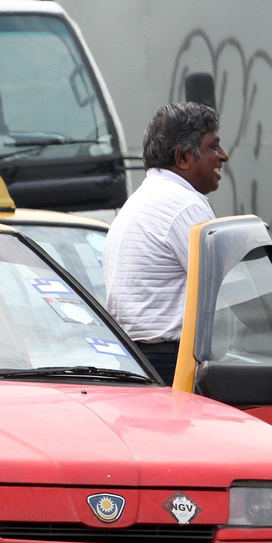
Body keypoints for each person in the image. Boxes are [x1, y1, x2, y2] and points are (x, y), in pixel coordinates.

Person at [103, 102, 229, 384]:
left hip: (133, 359)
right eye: (213, 146)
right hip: (168, 364)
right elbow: (230, 292)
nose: (224, 156)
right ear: (183, 157)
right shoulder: (183, 205)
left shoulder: (141, 200)